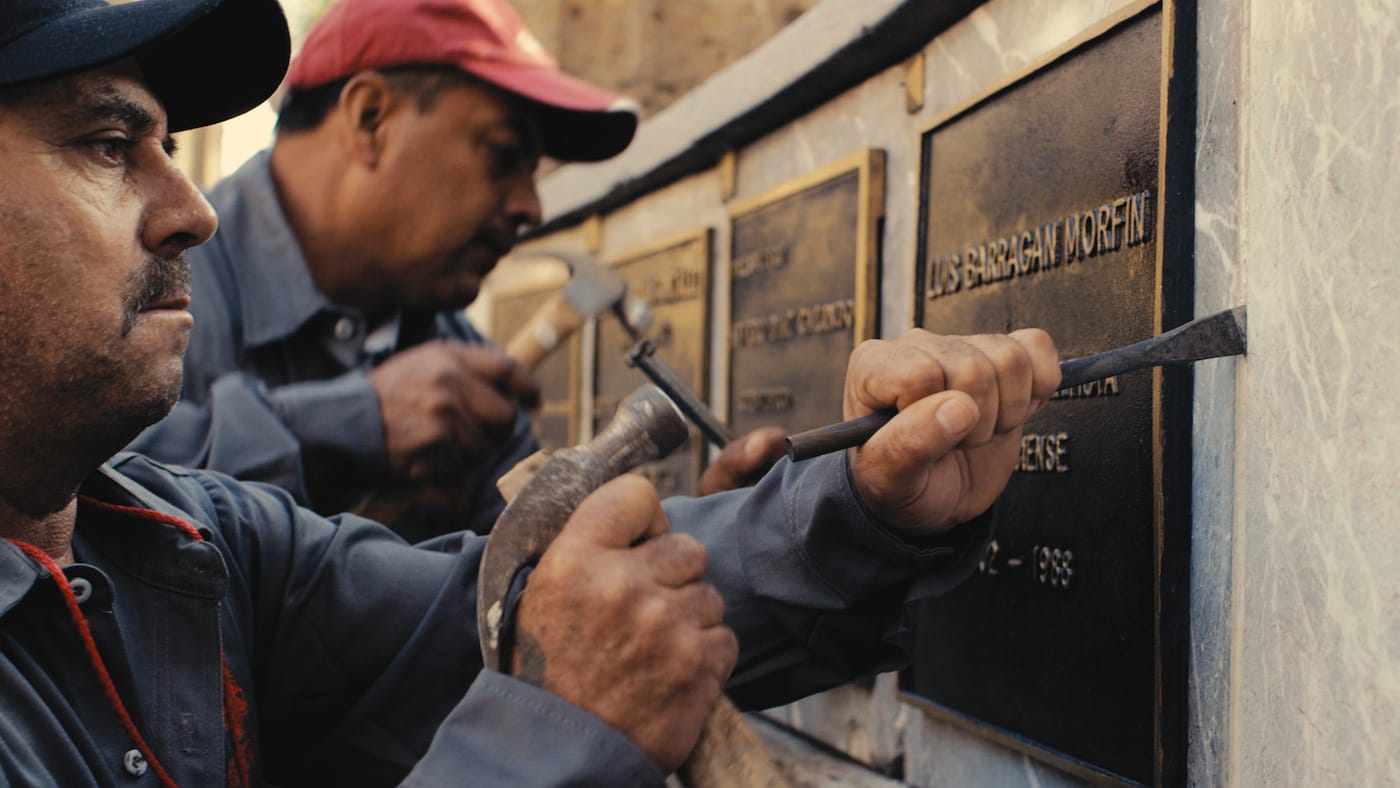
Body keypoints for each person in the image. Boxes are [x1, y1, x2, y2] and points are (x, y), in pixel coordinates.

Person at [0, 0, 1062, 784]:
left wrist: (861, 506)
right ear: (368, 119)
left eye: (172, 147)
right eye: (106, 145)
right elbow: (542, 665)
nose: (194, 210)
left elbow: (493, 609)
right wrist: (553, 734)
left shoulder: (195, 547)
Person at [125, 0, 788, 541]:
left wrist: (714, 538)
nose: (530, 206)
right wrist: (354, 423)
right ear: (371, 119)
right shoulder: (147, 276)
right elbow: (72, 491)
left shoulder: (456, 363)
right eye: (504, 155)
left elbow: (525, 577)